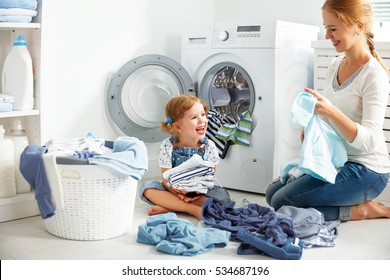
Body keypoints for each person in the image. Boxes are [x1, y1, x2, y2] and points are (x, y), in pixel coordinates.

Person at [266, 0, 390, 222]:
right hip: (338, 161)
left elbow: (370, 141)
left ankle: (361, 210)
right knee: (271, 194)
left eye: (333, 29)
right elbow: (328, 113)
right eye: (326, 28)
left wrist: (331, 112)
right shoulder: (335, 64)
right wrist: (312, 123)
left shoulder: (374, 75)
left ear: (358, 26)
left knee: (280, 203)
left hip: (368, 171)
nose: (327, 36)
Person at [139, 94, 230, 220]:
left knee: (223, 198)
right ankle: (192, 209)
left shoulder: (209, 146)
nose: (202, 120)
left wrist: (193, 192)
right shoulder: (168, 145)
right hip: (173, 188)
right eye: (194, 117)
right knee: (146, 188)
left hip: (201, 189)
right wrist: (179, 192)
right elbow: (166, 179)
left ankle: (171, 206)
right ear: (177, 127)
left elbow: (209, 176)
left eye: (203, 114)